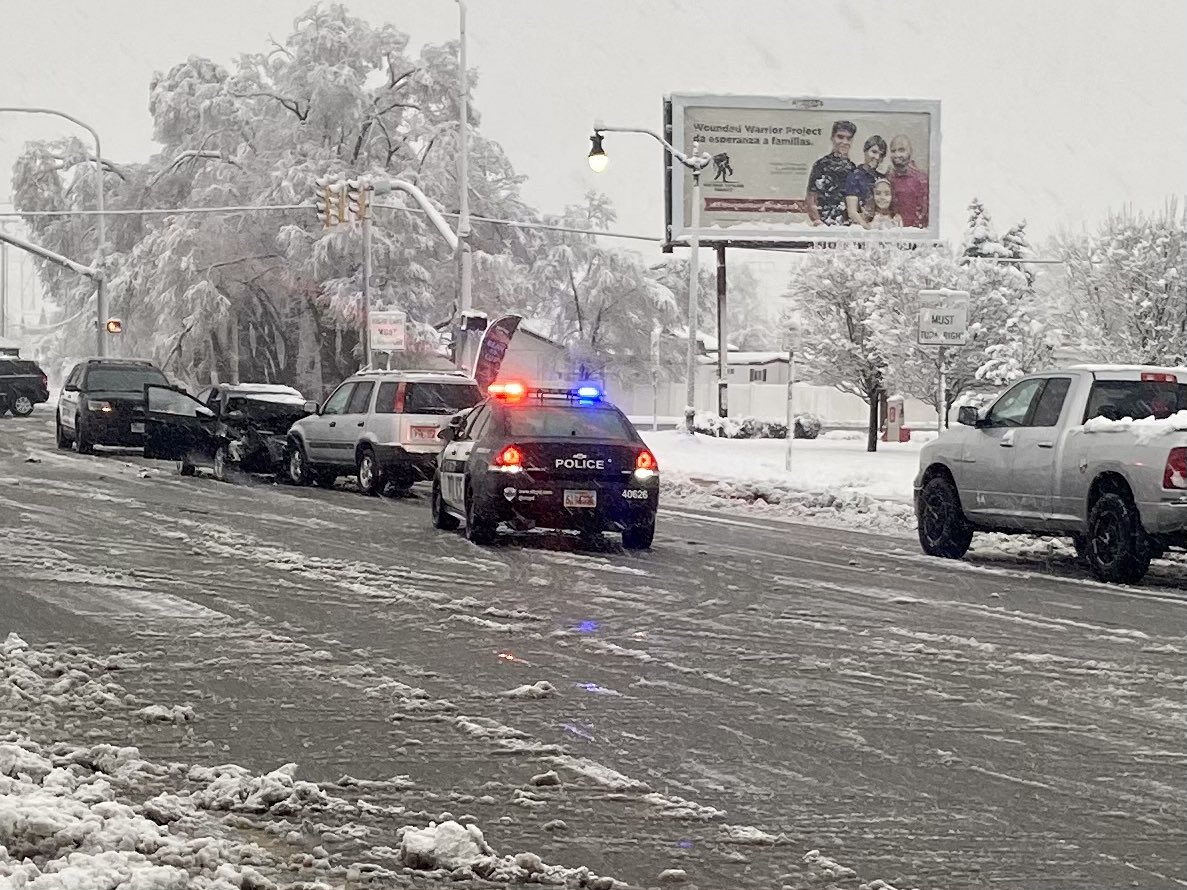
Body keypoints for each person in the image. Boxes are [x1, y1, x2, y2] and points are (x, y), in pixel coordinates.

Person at [805, 120, 856, 227]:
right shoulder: (820, 166)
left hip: (847, 230)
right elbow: (811, 200)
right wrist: (819, 224)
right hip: (824, 227)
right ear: (832, 138)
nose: (844, 142)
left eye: (849, 138)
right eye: (840, 137)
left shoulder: (853, 169)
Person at [843, 135, 887, 228]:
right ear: (865, 151)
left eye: (881, 154)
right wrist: (867, 228)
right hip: (861, 230)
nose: (877, 157)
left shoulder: (882, 178)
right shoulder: (854, 176)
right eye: (874, 152)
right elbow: (852, 212)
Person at [886, 135, 929, 228]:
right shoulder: (888, 178)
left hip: (914, 235)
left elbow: (925, 212)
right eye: (893, 151)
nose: (897, 155)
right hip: (893, 235)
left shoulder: (921, 179)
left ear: (910, 152)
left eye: (901, 150)